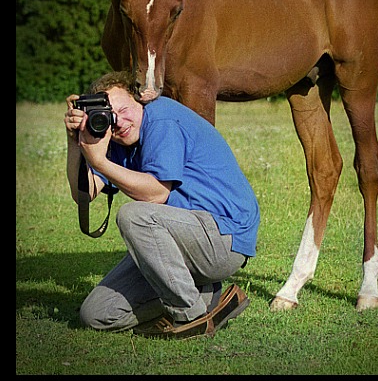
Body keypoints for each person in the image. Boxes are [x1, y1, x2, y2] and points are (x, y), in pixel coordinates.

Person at [64, 71, 260, 339]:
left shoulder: (162, 119)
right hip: (182, 240)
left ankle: (191, 316)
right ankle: (203, 295)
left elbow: (156, 194)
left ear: (141, 101)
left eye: (124, 109)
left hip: (223, 239)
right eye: (112, 116)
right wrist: (75, 141)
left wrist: (100, 162)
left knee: (134, 215)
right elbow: (84, 195)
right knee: (97, 313)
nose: (119, 122)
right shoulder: (116, 139)